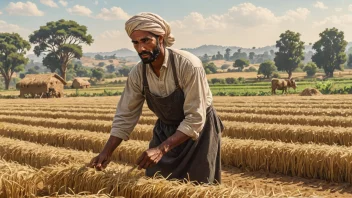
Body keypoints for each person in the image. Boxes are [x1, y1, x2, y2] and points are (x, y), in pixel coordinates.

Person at [88, 12, 224, 184]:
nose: (140, 49)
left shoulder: (188, 65)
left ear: (161, 38)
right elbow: (125, 115)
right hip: (166, 129)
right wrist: (106, 152)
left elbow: (195, 117)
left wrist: (161, 149)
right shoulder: (138, 73)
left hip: (199, 132)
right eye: (135, 43)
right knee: (156, 182)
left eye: (146, 41)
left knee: (197, 185)